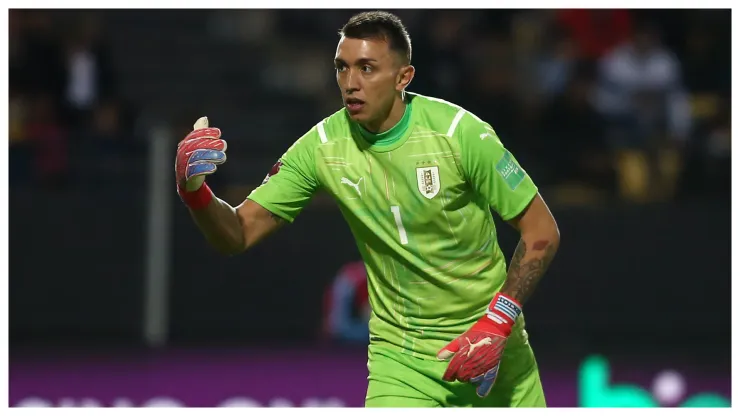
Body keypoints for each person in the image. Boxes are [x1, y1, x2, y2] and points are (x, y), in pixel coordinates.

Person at [175, 11, 560, 408]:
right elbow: (237, 233)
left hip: (496, 352)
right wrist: (196, 194)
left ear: (402, 77)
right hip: (403, 364)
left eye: (367, 68)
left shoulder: (460, 134)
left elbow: (542, 231)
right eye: (342, 69)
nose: (351, 83)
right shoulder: (322, 147)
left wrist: (498, 323)